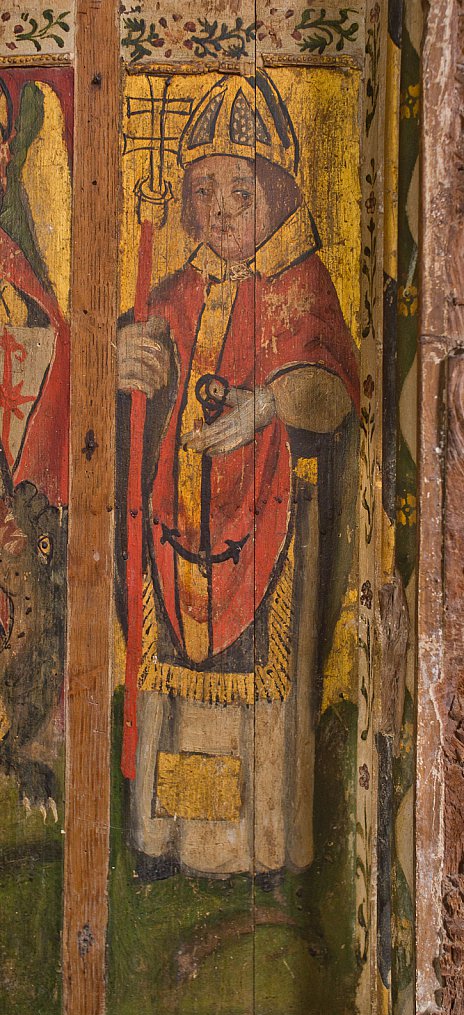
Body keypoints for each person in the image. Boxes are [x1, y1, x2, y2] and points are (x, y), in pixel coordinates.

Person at [117, 71, 359, 880]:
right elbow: (143, 372)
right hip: (178, 528)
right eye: (205, 190)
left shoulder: (302, 282)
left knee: (258, 693)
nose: (220, 208)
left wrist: (266, 406)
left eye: (240, 188)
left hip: (267, 527)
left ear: (281, 193)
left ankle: (254, 851)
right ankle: (169, 842)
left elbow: (333, 388)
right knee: (177, 691)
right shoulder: (181, 288)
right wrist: (133, 356)